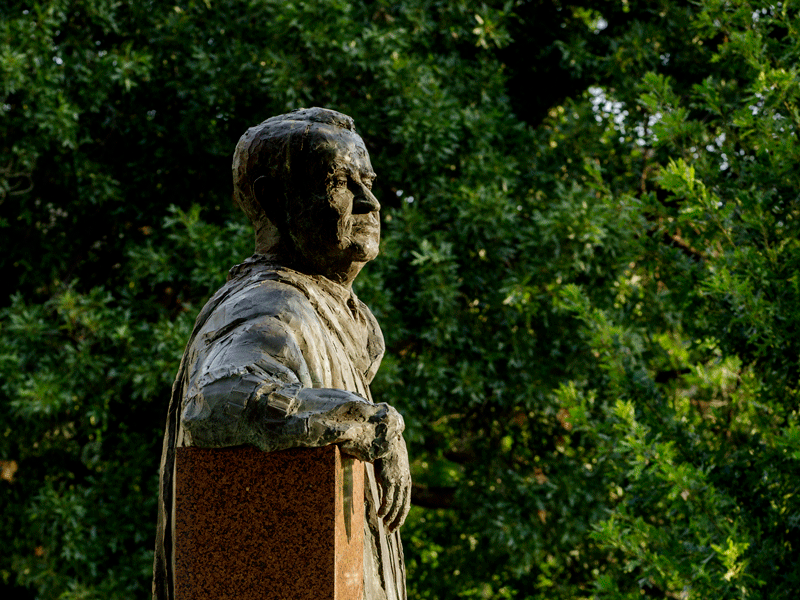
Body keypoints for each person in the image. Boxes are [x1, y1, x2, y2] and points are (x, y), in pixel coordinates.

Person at [152, 107, 410, 600]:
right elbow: (217, 402)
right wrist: (370, 422)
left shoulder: (321, 306)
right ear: (275, 198)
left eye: (368, 181)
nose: (369, 202)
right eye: (340, 183)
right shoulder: (275, 304)